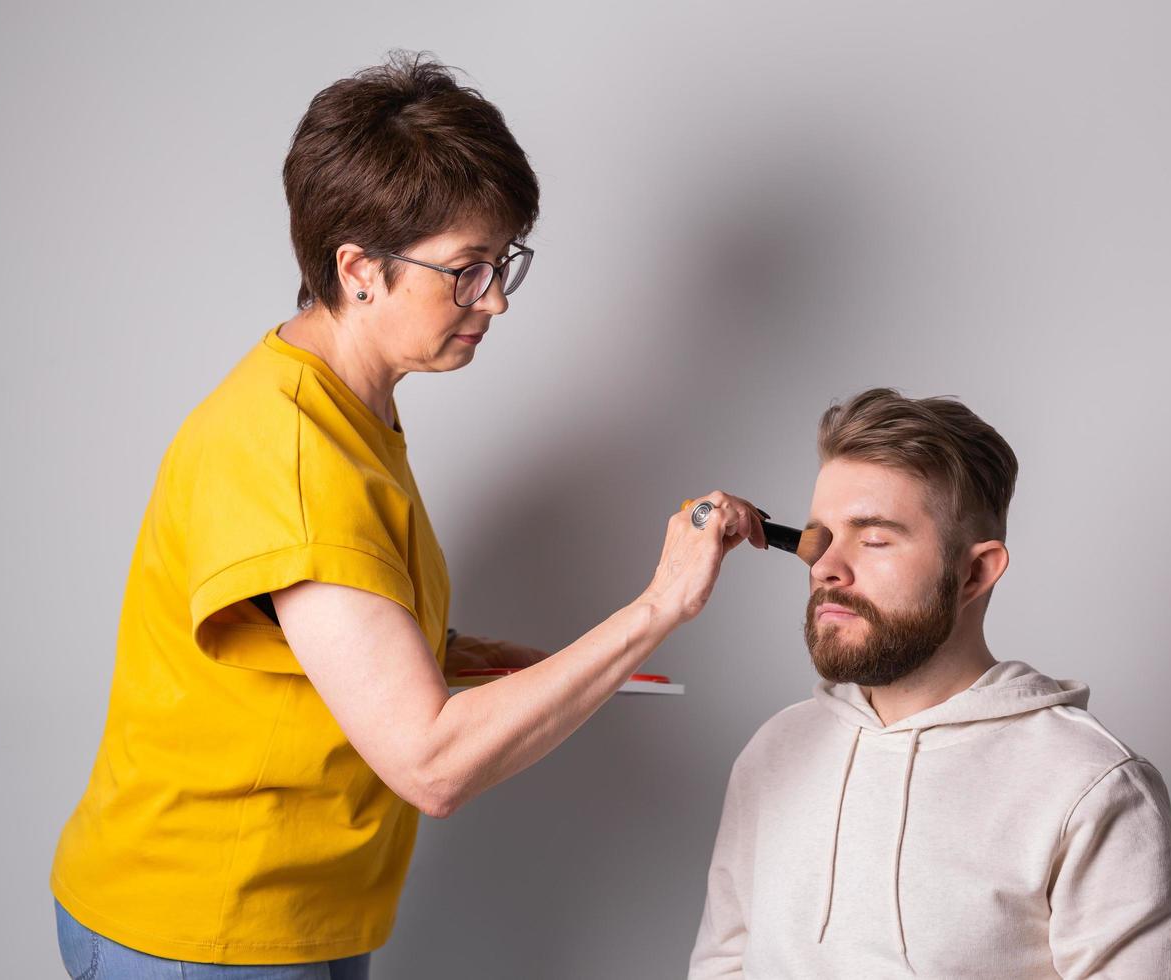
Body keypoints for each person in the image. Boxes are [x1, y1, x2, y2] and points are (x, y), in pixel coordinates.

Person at [50, 52, 767, 979]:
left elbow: (315, 616)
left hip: (292, 916)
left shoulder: (343, 406)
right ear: (359, 269)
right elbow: (431, 765)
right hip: (205, 933)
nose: (496, 298)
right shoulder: (295, 453)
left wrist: (451, 649)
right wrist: (659, 606)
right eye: (467, 270)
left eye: (504, 262)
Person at [688, 388, 1171, 979]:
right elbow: (723, 965)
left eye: (876, 538)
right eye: (821, 538)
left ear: (975, 572)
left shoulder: (1090, 785)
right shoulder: (773, 751)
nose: (827, 567)